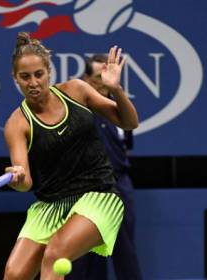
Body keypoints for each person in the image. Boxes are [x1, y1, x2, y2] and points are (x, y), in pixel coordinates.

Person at [2, 32, 138, 280]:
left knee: (55, 254)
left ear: (49, 72)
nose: (33, 82)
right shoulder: (17, 124)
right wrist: (17, 178)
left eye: (38, 74)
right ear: (15, 79)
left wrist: (115, 89)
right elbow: (26, 182)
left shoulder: (76, 90)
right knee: (13, 274)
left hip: (99, 195)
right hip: (51, 204)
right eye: (25, 77)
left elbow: (129, 122)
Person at [67, 54, 142, 280]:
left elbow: (125, 147)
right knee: (83, 254)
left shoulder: (121, 111)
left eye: (109, 76)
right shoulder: (75, 110)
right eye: (100, 76)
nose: (105, 81)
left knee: (125, 249)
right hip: (85, 188)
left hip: (119, 186)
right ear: (87, 79)